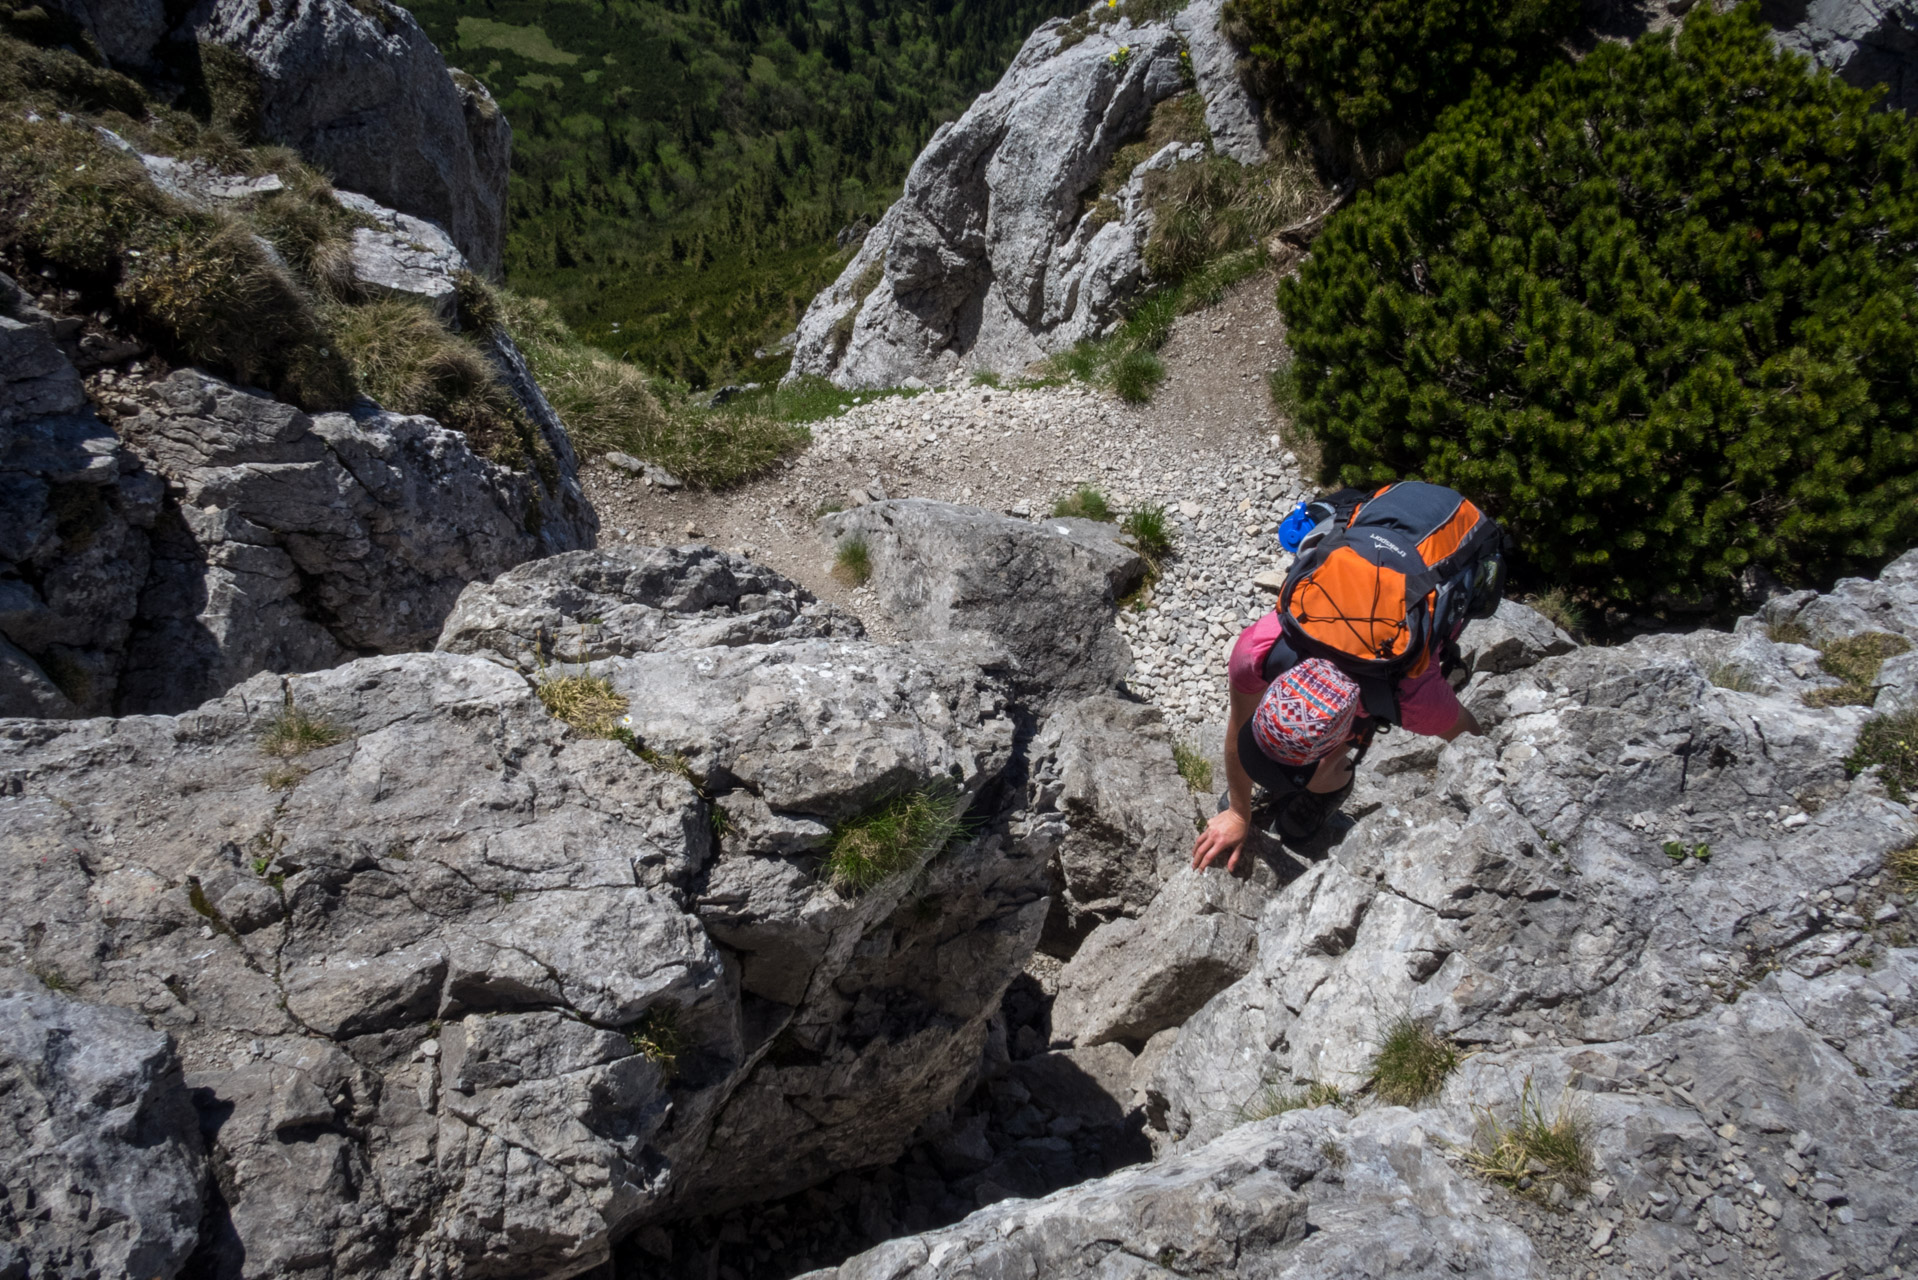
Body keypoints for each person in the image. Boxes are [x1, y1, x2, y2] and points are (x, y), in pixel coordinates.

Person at [1190, 601, 1484, 876]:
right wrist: (1239, 813)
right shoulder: (1258, 649)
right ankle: (1300, 780)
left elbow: (1474, 745)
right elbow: (1239, 722)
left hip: (1408, 624)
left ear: (1348, 730)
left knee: (1322, 772)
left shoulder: (1414, 699)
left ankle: (1331, 784)